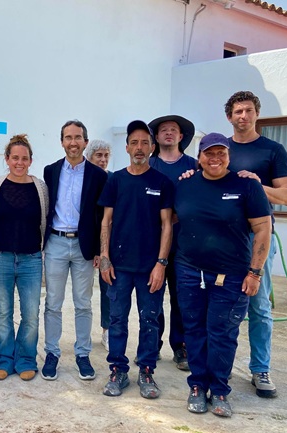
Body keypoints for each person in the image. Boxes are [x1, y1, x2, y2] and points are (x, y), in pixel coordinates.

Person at [174, 132, 272, 417]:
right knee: (194, 331)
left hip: (231, 276)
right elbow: (173, 220)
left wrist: (255, 273)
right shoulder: (185, 184)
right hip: (190, 272)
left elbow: (263, 229)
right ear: (199, 157)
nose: (215, 158)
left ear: (229, 157)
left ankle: (219, 390)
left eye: (221, 153)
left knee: (223, 334)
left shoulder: (247, 186)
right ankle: (197, 386)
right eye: (209, 153)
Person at [225, 91, 287, 398]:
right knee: (223, 302)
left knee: (259, 305)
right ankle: (222, 362)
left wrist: (256, 185)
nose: (243, 116)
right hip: (225, 238)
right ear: (229, 116)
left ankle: (260, 368)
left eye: (248, 110)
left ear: (257, 114)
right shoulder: (220, 149)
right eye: (238, 111)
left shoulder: (273, 150)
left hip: (258, 238)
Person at [98, 120, 173, 399]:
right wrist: (104, 257)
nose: (139, 148)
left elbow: (167, 225)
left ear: (152, 148)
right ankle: (118, 370)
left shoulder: (162, 183)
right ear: (127, 147)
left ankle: (146, 371)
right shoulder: (115, 180)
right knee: (117, 320)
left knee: (150, 320)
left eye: (144, 143)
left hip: (150, 267)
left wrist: (161, 264)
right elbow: (106, 221)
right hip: (118, 266)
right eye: (134, 143)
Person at [41, 120, 108, 381]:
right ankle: (52, 353)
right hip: (56, 242)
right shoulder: (51, 171)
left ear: (85, 142)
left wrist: (100, 250)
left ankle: (82, 354)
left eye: (77, 137)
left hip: (84, 246)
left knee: (83, 303)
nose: (73, 142)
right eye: (68, 137)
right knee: (53, 303)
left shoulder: (98, 175)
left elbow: (101, 216)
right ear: (62, 142)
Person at [0, 134, 48, 381]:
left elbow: (45, 221)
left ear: (31, 161)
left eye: (24, 158)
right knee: (3, 313)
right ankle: (4, 360)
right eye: (15, 158)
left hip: (31, 259)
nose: (20, 163)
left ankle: (26, 359)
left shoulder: (40, 188)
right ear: (7, 159)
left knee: (30, 314)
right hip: (0, 258)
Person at [147, 115, 198, 371]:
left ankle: (181, 347)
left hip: (185, 245)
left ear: (181, 136)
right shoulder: (148, 165)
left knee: (183, 298)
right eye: (163, 130)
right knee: (152, 296)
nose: (168, 133)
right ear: (156, 137)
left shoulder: (194, 166)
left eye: (173, 130)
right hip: (152, 244)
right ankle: (151, 345)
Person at [84, 139, 112, 351]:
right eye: (98, 156)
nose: (102, 160)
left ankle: (107, 330)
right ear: (89, 157)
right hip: (84, 243)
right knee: (82, 293)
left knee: (108, 287)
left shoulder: (113, 179)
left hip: (107, 245)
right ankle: (82, 333)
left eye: (106, 156)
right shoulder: (83, 179)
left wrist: (102, 250)